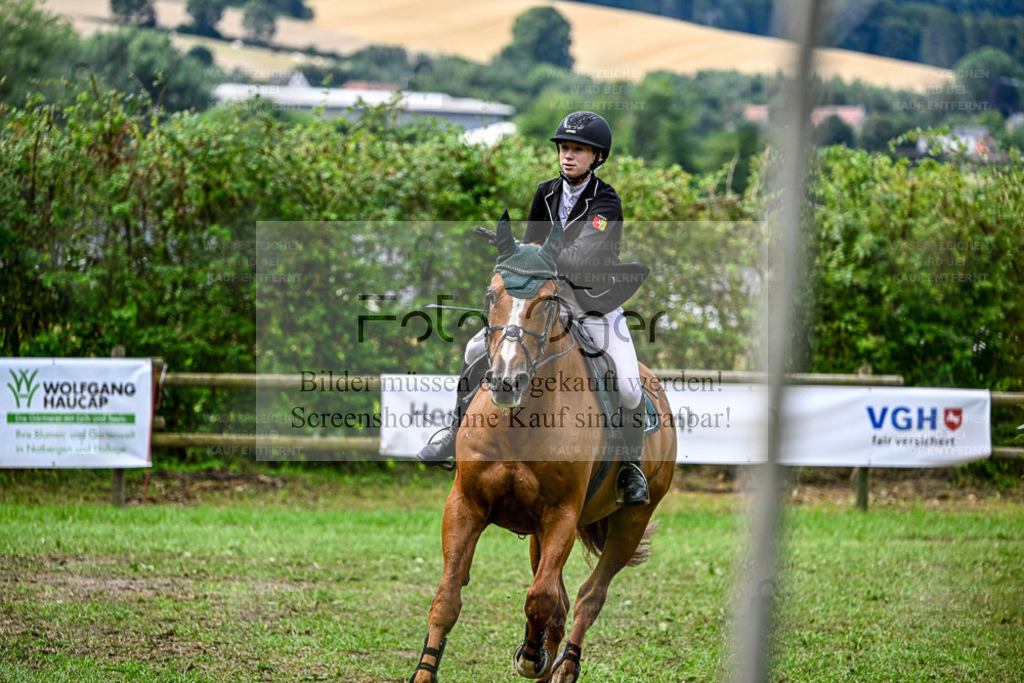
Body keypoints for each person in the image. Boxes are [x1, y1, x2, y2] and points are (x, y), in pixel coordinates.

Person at [418, 111, 651, 506]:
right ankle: (453, 431)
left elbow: (581, 255)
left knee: (629, 384)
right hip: (543, 297)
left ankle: (630, 467)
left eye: (577, 150)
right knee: (475, 349)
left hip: (592, 301)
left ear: (597, 157)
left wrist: (533, 256)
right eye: (563, 148)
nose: (567, 156)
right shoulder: (545, 192)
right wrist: (512, 251)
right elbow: (531, 246)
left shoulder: (606, 201)